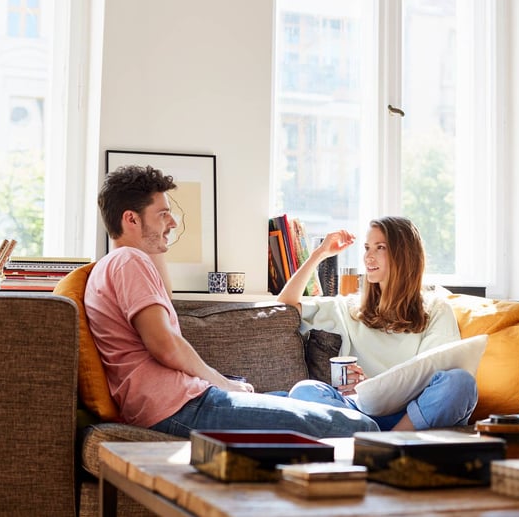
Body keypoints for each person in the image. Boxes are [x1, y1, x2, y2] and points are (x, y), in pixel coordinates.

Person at [83, 164, 378, 439]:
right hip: (181, 406)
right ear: (131, 218)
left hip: (184, 400)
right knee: (360, 427)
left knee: (307, 399)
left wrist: (157, 235)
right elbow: (165, 345)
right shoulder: (128, 261)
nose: (173, 222)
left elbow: (165, 299)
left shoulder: (118, 264)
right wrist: (220, 383)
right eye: (163, 213)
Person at [277, 216, 477, 431]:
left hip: (412, 413)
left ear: (405, 256)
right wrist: (319, 255)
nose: (368, 257)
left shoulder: (436, 309)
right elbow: (286, 307)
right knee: (305, 390)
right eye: (366, 248)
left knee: (460, 382)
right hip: (358, 412)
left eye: (379, 247)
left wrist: (372, 384)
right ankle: (372, 436)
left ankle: (388, 438)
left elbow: (429, 377)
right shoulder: (349, 308)